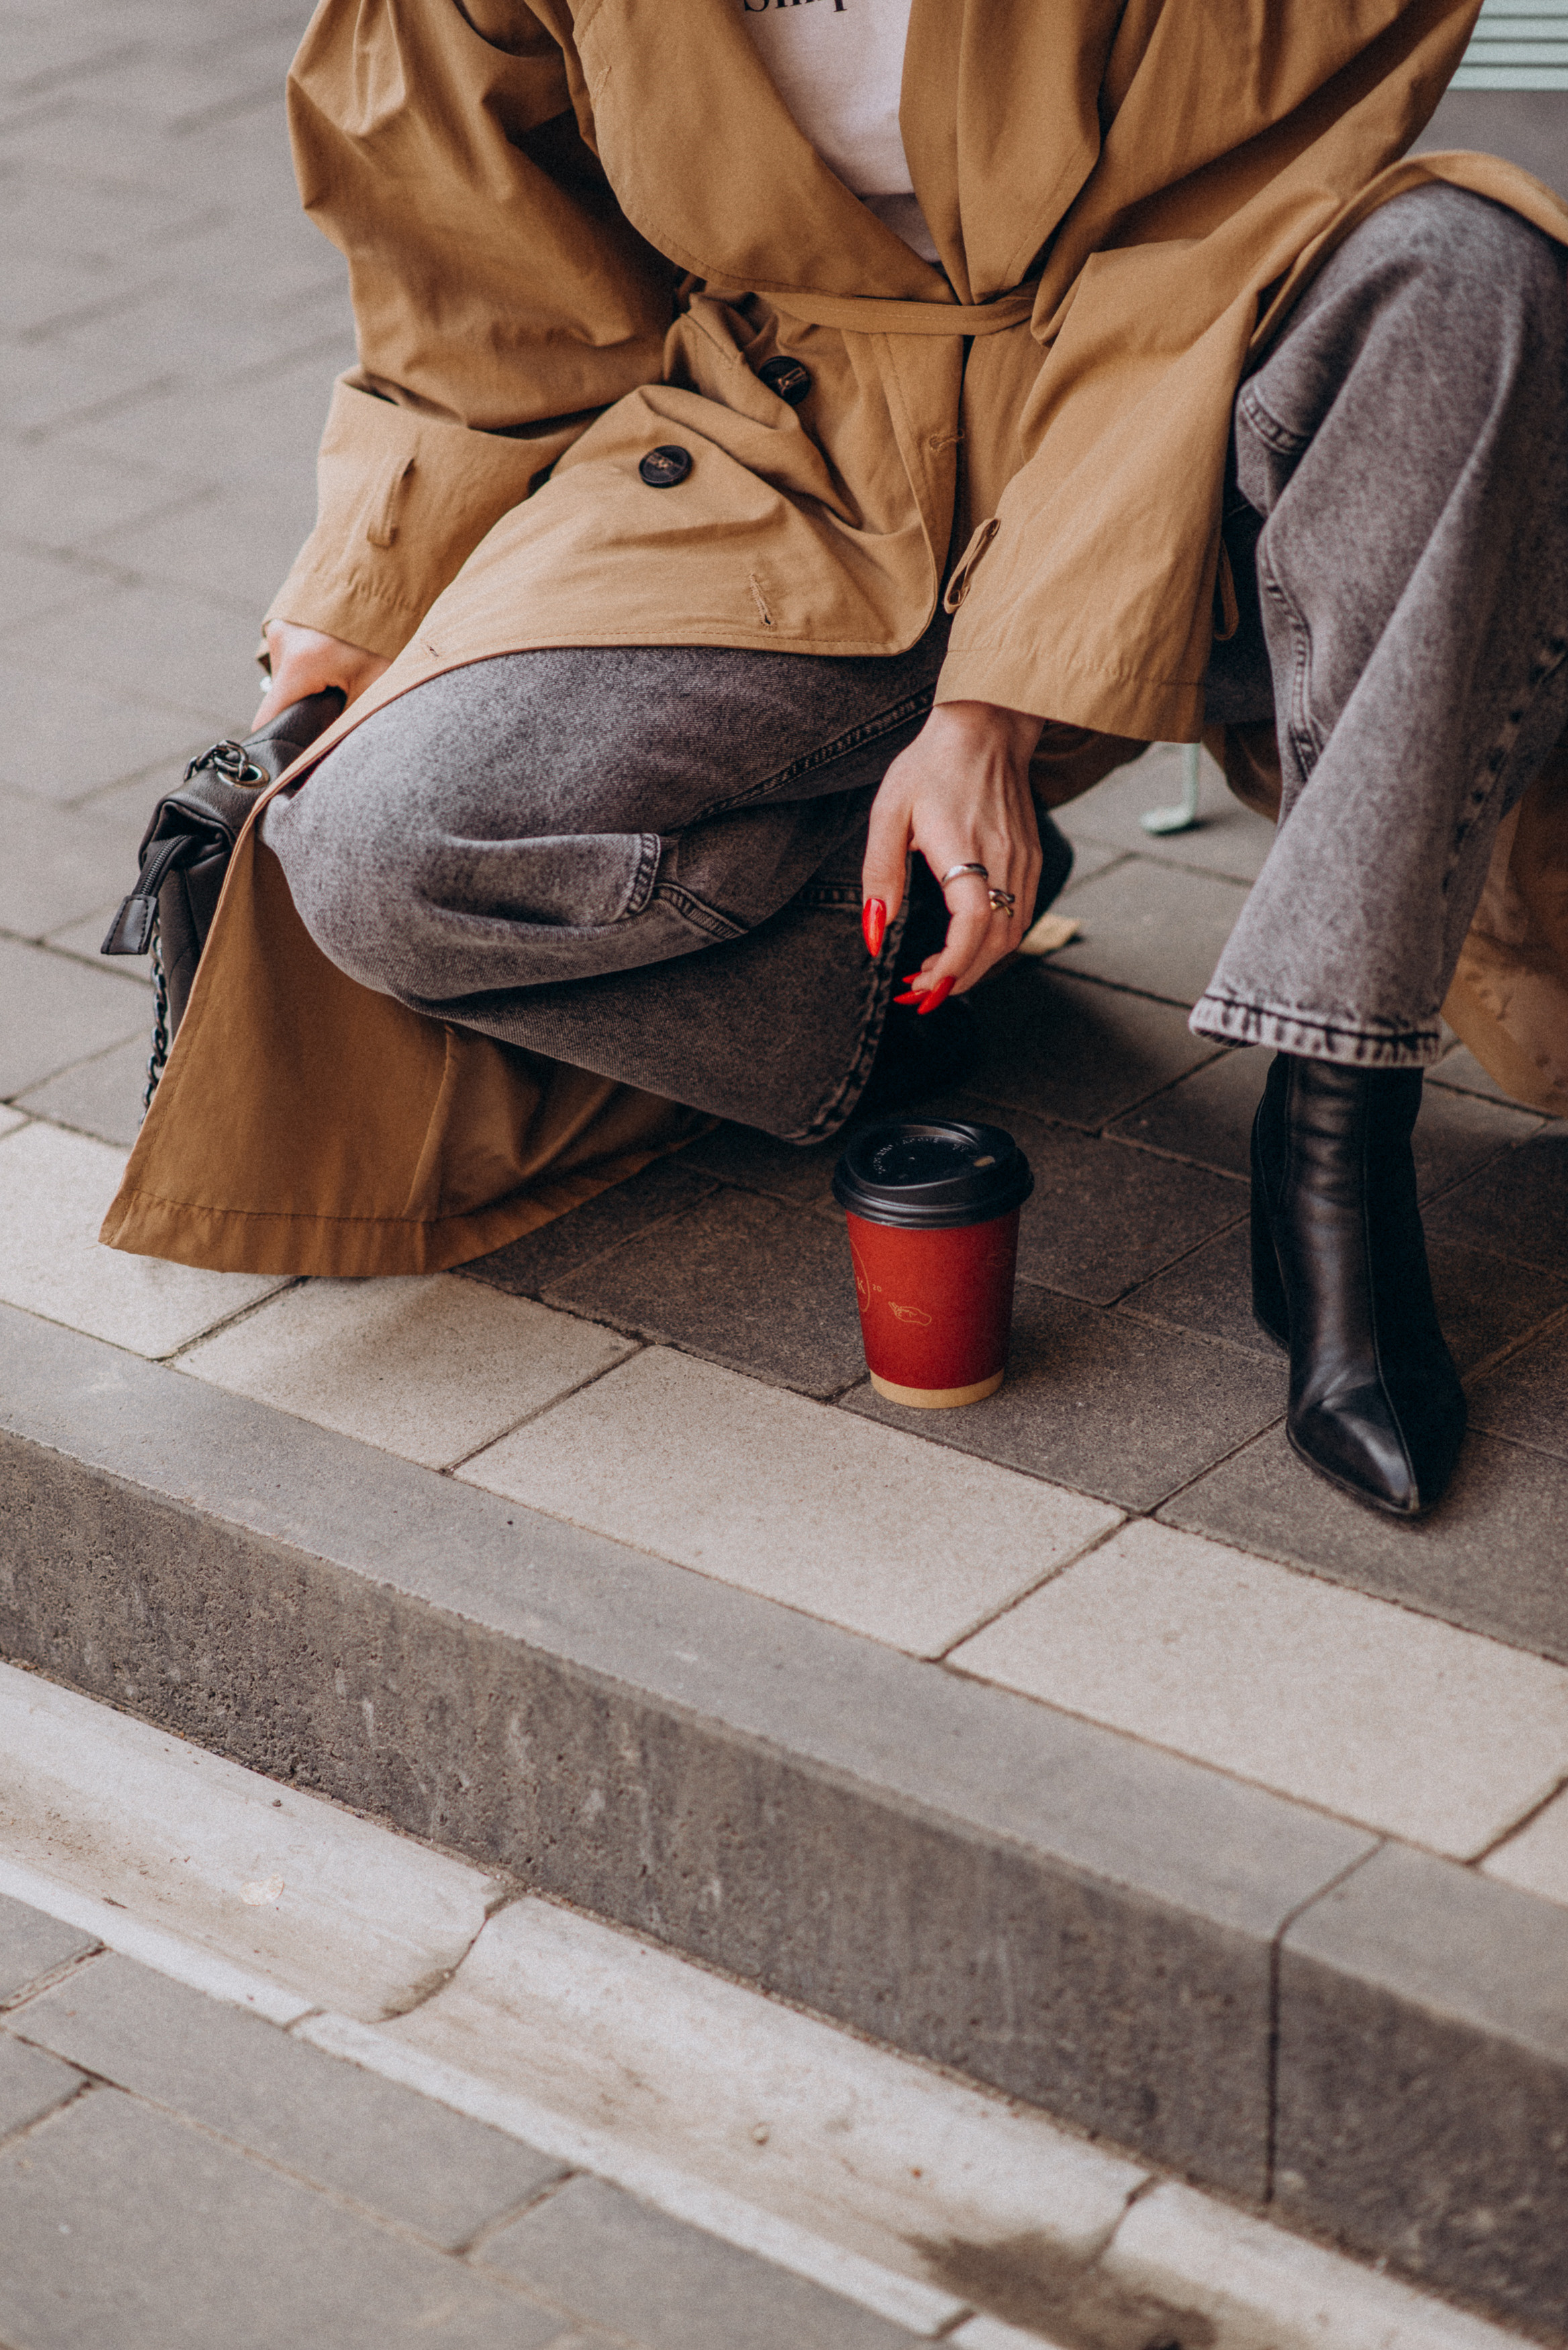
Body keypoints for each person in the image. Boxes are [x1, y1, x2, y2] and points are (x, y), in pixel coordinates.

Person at [104, 0, 1568, 1520]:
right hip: (786, 444)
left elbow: (1201, 238)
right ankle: (895, 970)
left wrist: (994, 703)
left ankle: (1334, 1123)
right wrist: (363, 584)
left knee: (1467, 273)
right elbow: (481, 274)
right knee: (379, 848)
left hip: (1195, 399)